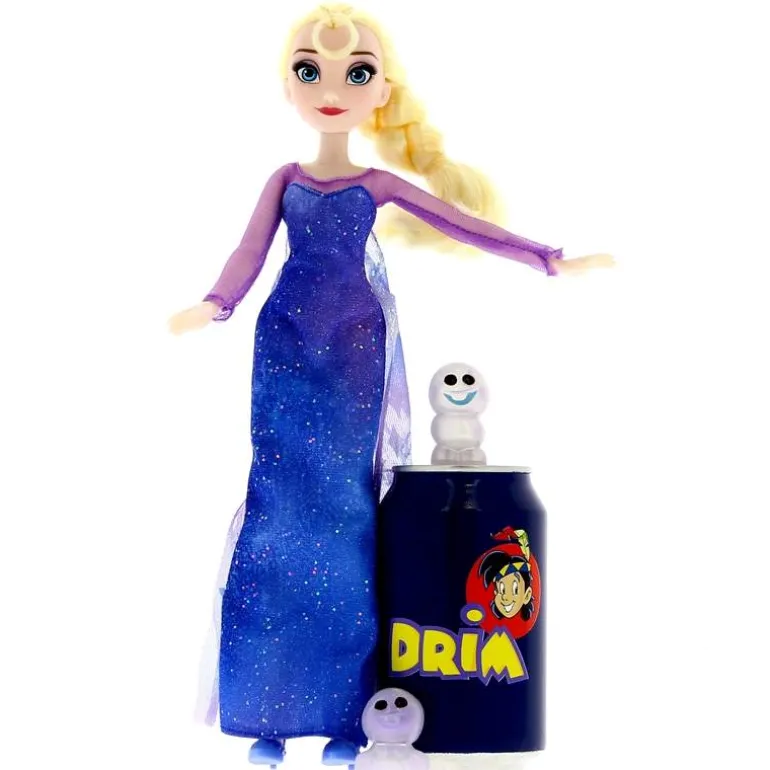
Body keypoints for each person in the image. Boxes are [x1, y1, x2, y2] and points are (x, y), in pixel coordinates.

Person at [169, 5, 612, 766]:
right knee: (276, 508)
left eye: (356, 73)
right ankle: (265, 714)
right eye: (309, 71)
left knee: (347, 514)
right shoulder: (285, 179)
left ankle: (346, 716)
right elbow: (249, 250)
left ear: (381, 93)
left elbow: (461, 223)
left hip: (355, 352)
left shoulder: (376, 184)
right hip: (284, 345)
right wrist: (216, 303)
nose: (330, 89)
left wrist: (546, 258)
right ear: (287, 85)